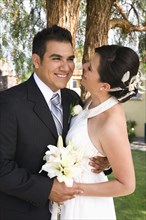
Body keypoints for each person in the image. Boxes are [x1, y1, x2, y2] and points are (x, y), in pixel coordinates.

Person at [0, 25, 109, 220]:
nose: (66, 67)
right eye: (56, 58)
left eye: (70, 59)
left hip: (72, 211)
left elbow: (88, 140)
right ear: (36, 60)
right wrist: (46, 189)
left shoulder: (72, 99)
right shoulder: (8, 103)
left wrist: (103, 161)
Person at [58, 45, 143, 220]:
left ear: (104, 86)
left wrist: (75, 188)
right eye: (89, 61)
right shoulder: (92, 100)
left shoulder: (110, 122)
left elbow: (127, 185)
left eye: (90, 68)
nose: (84, 66)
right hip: (71, 191)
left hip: (87, 204)